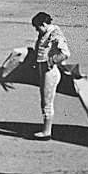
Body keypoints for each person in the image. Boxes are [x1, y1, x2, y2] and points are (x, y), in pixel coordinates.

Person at [31, 11, 70, 140]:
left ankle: (47, 132)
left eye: (38, 27)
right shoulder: (46, 33)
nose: (37, 31)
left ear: (43, 24)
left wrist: (51, 61)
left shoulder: (55, 33)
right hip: (45, 70)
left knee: (47, 102)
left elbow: (65, 53)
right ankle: (46, 130)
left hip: (50, 71)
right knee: (45, 101)